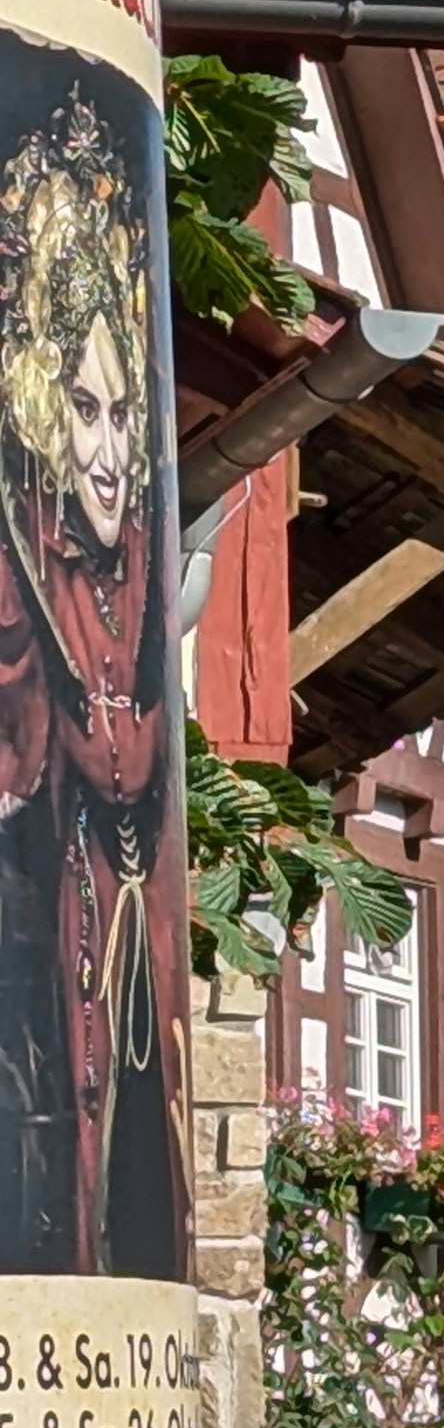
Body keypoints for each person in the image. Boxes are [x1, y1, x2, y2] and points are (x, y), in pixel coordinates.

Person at [0, 89, 182, 1276]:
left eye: (125, 412)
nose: (114, 449)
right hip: (42, 954)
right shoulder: (25, 566)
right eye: (85, 409)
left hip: (129, 962)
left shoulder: (135, 576)